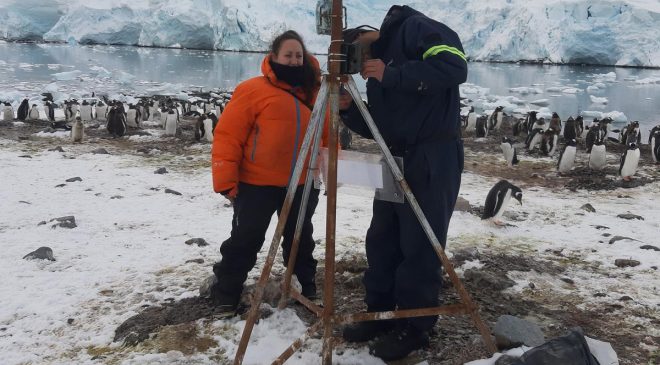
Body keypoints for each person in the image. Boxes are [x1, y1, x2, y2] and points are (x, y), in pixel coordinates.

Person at [338, 5, 467, 361]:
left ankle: (415, 326)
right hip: (393, 157)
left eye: (356, 49)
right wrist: (349, 110)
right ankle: (379, 313)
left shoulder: (415, 28)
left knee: (420, 243)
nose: (359, 59)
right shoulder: (376, 72)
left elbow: (455, 66)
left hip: (432, 156)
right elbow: (380, 127)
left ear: (366, 35)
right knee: (383, 238)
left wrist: (391, 74)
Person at [208, 30, 326, 314]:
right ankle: (226, 291)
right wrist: (225, 180)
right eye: (288, 55)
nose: (294, 60)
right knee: (246, 238)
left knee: (300, 239)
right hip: (256, 183)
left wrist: (325, 169)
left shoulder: (315, 93)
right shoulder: (253, 90)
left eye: (298, 55)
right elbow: (228, 136)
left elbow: (325, 137)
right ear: (274, 57)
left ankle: (305, 287)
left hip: (301, 183)